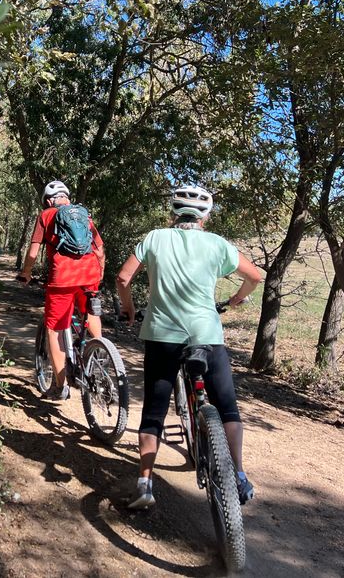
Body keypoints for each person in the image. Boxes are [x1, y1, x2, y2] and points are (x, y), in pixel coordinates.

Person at [115, 185, 262, 508]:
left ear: (172, 212)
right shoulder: (217, 244)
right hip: (205, 335)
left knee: (154, 412)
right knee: (227, 408)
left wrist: (128, 309)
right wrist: (237, 298)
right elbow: (255, 276)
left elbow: (123, 279)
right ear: (205, 217)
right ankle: (237, 474)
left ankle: (144, 484)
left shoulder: (154, 238)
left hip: (162, 335)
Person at [19, 180, 105, 400]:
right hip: (90, 274)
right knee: (91, 313)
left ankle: (59, 386)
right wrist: (100, 273)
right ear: (66, 197)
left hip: (63, 278)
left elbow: (32, 252)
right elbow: (100, 250)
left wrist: (26, 273)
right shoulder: (84, 215)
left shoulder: (46, 215)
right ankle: (99, 353)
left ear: (48, 200)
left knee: (55, 329)